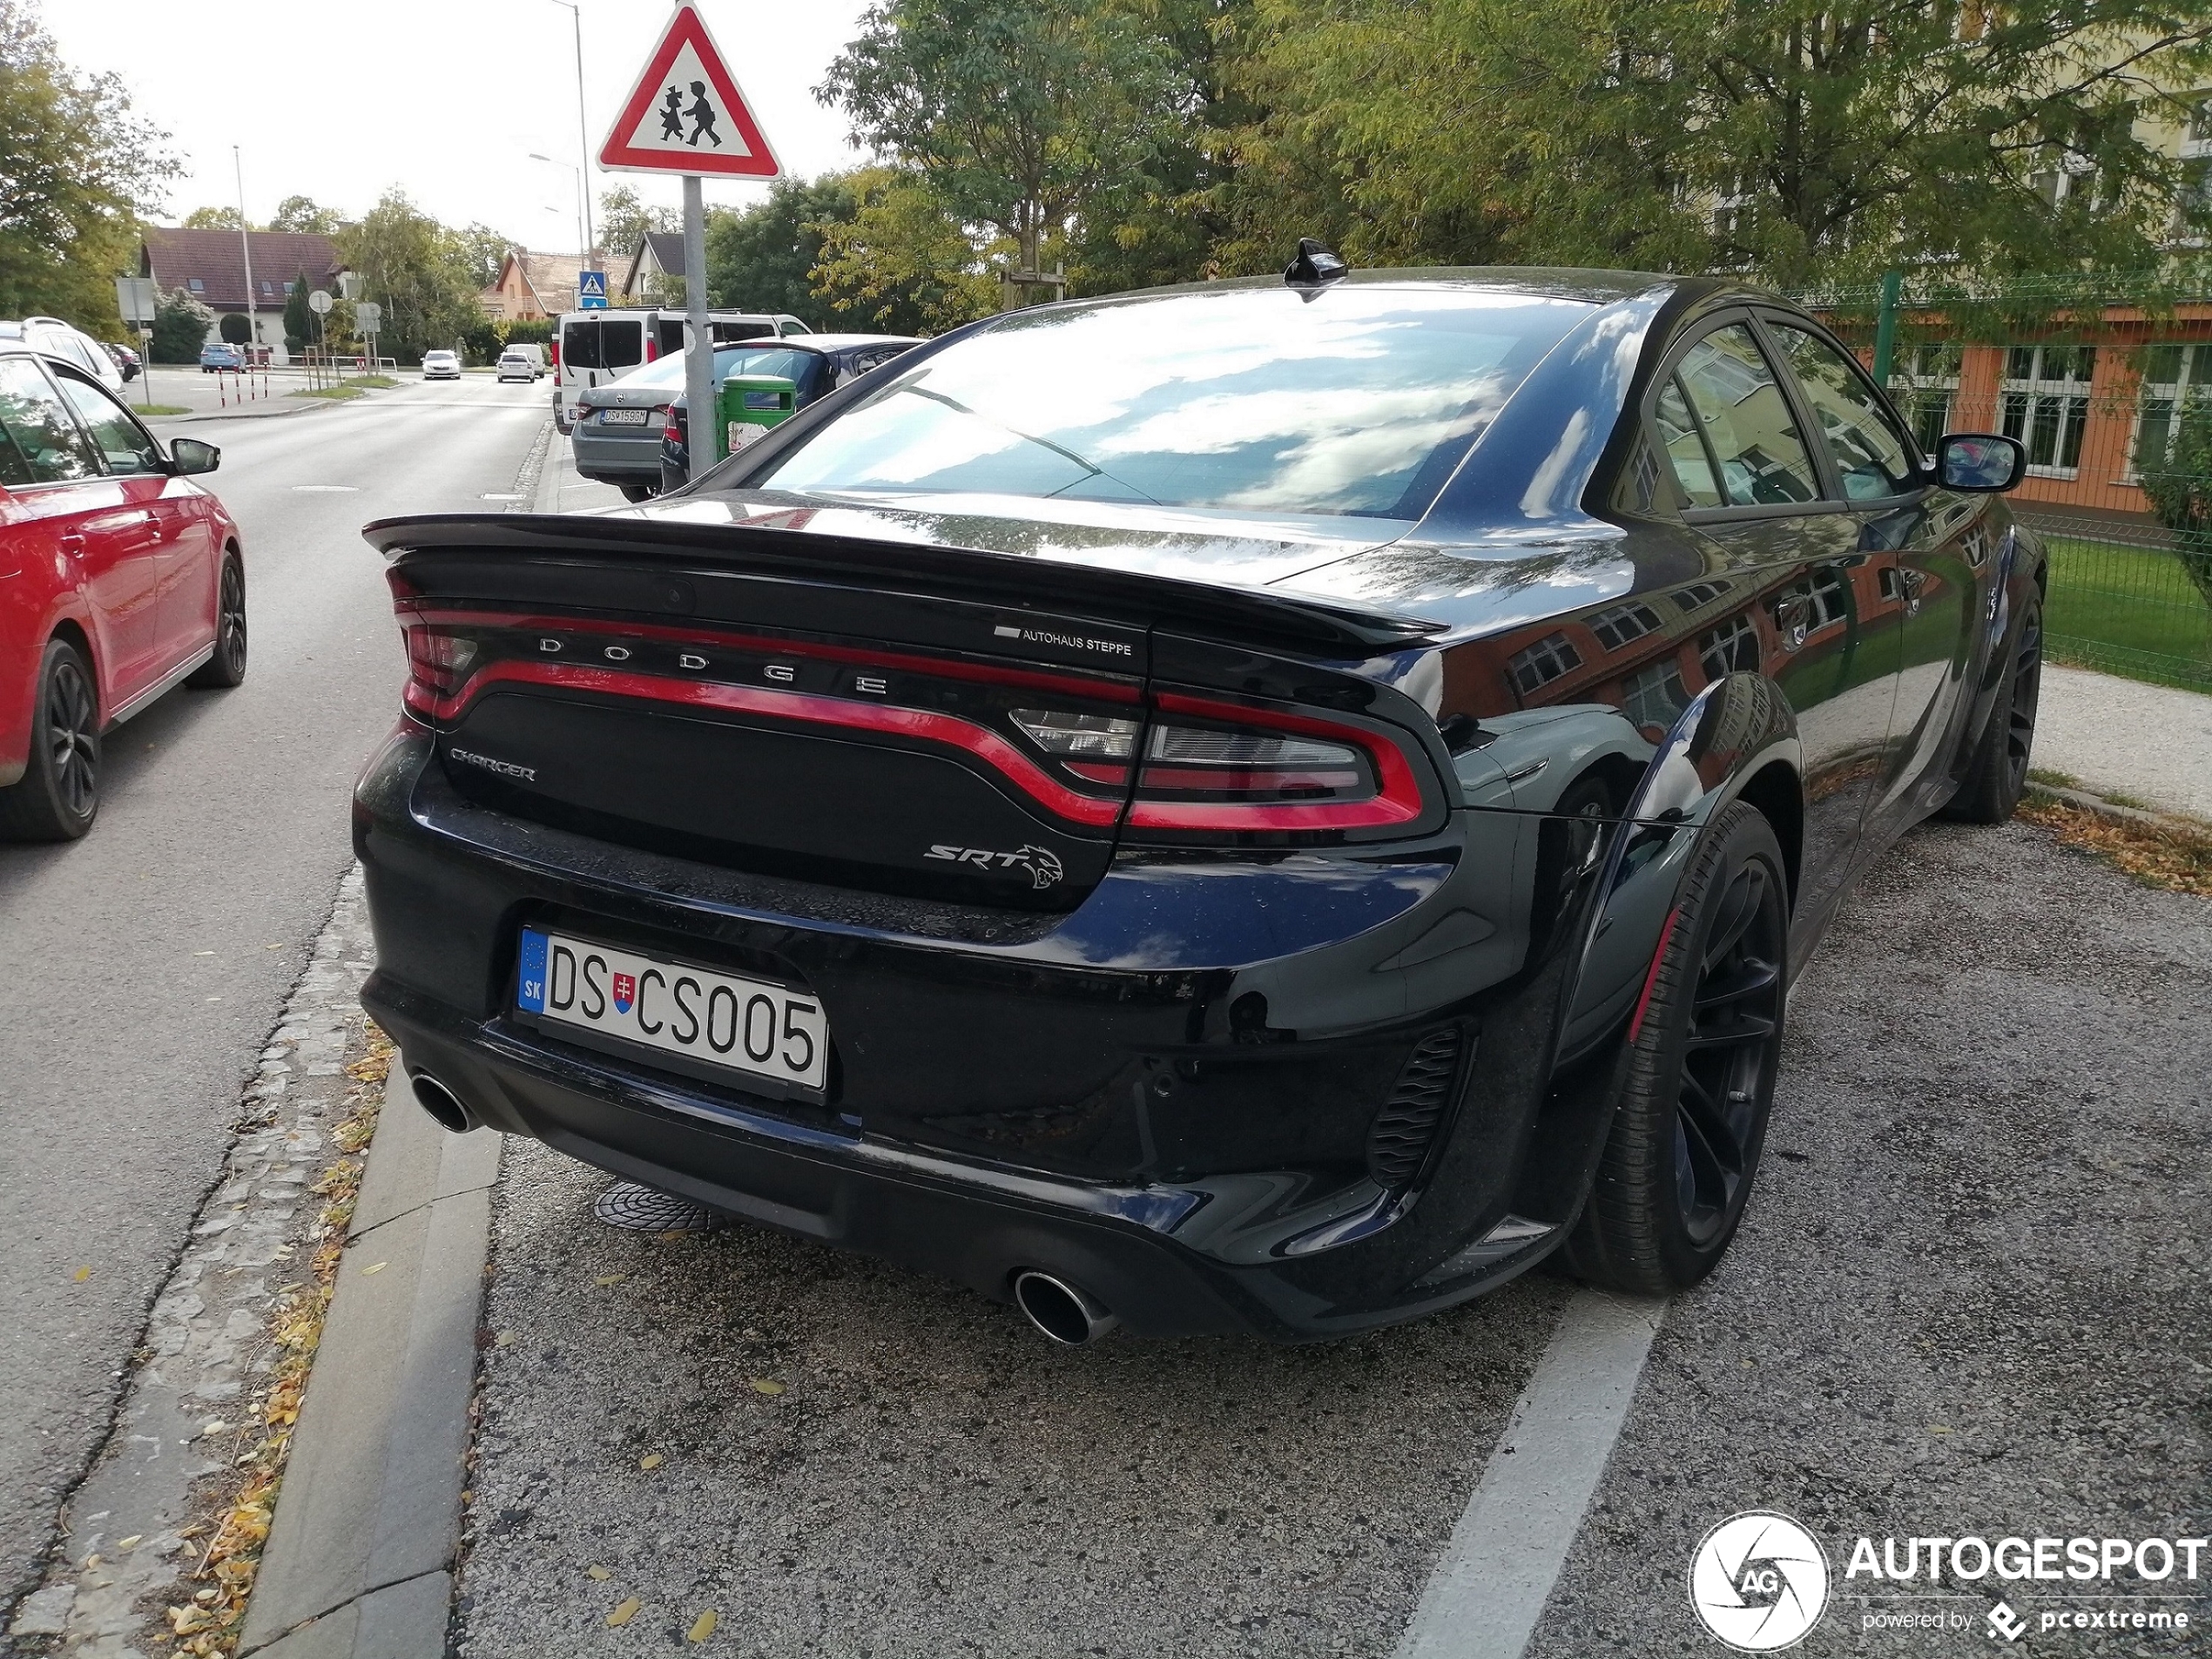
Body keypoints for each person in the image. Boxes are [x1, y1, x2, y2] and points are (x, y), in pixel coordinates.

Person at [685, 81, 722, 148]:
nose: (691, 91)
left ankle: (693, 142)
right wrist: (687, 112)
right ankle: (717, 140)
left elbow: (695, 110)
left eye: (692, 89)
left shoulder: (702, 102)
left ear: (697, 91)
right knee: (708, 131)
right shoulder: (701, 101)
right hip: (705, 120)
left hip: (705, 121)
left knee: (697, 131)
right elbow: (695, 110)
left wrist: (687, 113)